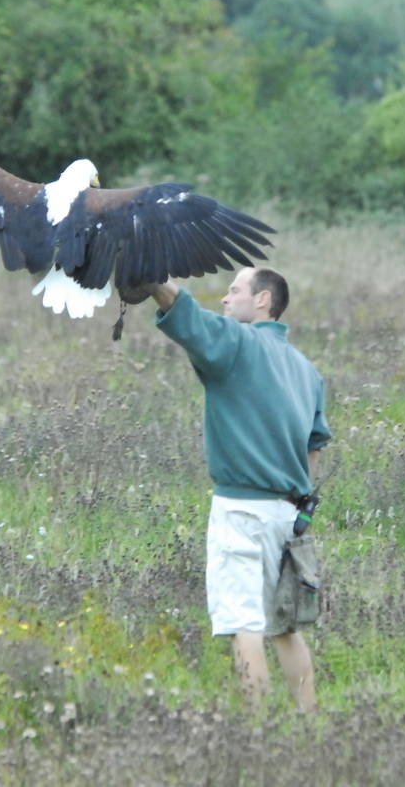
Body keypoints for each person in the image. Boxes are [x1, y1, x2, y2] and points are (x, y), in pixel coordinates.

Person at [124, 267, 331, 713]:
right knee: (285, 629)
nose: (224, 298)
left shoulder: (237, 345)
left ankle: (256, 735)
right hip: (288, 517)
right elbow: (315, 447)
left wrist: (146, 272)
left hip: (240, 510)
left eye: (234, 290)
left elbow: (185, 314)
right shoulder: (307, 371)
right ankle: (309, 723)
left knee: (245, 626)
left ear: (262, 301)